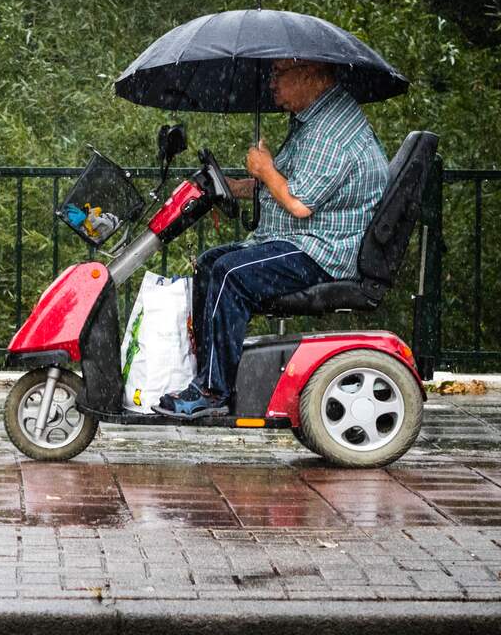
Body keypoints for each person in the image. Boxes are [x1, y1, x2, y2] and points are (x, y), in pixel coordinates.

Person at [153, 58, 389, 419]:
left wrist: (265, 169)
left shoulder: (329, 132)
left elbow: (298, 203)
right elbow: (293, 181)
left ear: (310, 74)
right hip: (301, 238)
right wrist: (235, 186)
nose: (271, 81)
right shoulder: (314, 119)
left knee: (230, 273)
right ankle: (209, 375)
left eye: (279, 73)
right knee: (209, 264)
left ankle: (213, 392)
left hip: (320, 248)